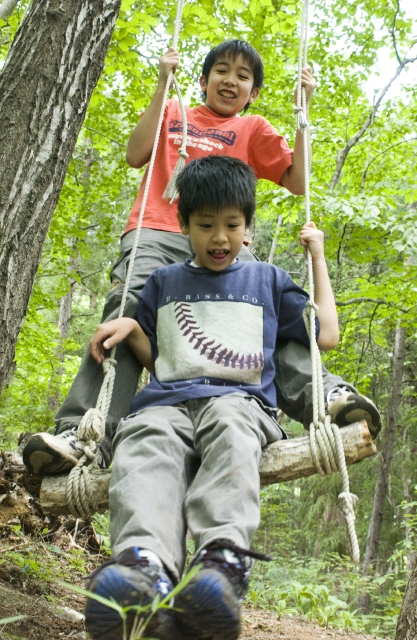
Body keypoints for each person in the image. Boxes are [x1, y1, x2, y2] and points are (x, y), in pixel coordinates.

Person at [22, 39, 381, 477]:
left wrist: (303, 112)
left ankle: (324, 395)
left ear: (253, 92)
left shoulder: (253, 128)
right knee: (127, 311)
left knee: (269, 306)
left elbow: (298, 181)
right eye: (222, 70)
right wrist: (161, 85)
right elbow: (136, 154)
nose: (231, 80)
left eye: (243, 76)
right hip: (157, 229)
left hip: (226, 246)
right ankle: (85, 433)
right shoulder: (175, 112)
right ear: (203, 79)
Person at [84, 156, 340, 640]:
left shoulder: (265, 280)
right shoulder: (163, 282)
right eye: (205, 226)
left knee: (227, 425)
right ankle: (144, 569)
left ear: (247, 228)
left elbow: (325, 335)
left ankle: (218, 566)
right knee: (144, 437)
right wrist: (132, 326)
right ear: (183, 226)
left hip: (241, 402)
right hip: (169, 402)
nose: (219, 238)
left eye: (232, 225)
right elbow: (165, 357)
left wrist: (320, 257)